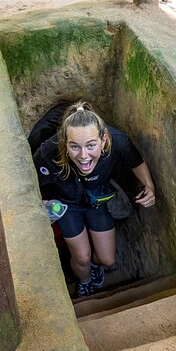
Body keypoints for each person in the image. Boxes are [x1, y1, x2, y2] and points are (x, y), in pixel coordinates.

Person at [31, 101, 156, 298]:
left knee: (107, 259)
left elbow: (136, 161)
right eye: (74, 147)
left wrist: (149, 185)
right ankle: (85, 280)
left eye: (91, 145)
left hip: (97, 199)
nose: (83, 156)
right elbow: (30, 181)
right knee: (82, 257)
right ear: (64, 142)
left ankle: (95, 267)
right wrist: (41, 203)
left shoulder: (118, 141)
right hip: (66, 206)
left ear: (104, 140)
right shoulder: (48, 152)